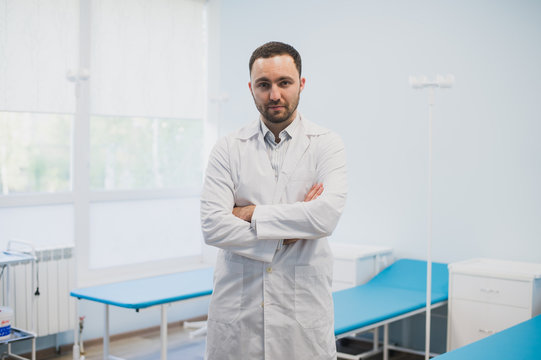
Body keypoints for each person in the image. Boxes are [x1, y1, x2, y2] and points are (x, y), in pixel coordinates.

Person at [200, 41, 347, 360]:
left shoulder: (326, 145)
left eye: (284, 83)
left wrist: (249, 213)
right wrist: (292, 231)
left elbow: (325, 217)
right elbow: (213, 226)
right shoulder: (228, 149)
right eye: (264, 85)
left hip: (302, 319)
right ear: (251, 88)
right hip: (238, 319)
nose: (275, 95)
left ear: (301, 84)